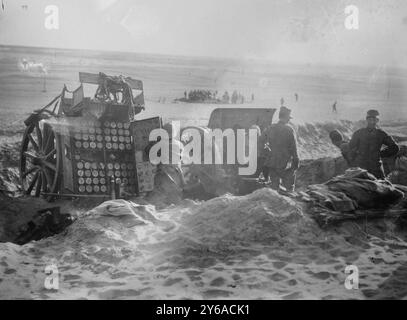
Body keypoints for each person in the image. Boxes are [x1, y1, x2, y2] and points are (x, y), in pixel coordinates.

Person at [348, 109, 399, 179]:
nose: (372, 122)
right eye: (370, 119)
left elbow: (395, 147)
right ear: (367, 120)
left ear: (377, 121)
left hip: (373, 168)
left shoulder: (380, 134)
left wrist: (380, 154)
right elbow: (350, 147)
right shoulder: (359, 133)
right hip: (363, 168)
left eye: (374, 120)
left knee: (382, 186)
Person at [260, 106, 299, 192]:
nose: (289, 120)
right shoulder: (289, 130)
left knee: (274, 189)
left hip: (272, 163)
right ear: (286, 117)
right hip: (285, 164)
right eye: (288, 118)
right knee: (289, 189)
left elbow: (261, 141)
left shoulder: (270, 128)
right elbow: (294, 148)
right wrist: (296, 161)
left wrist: (267, 151)